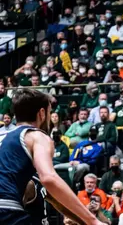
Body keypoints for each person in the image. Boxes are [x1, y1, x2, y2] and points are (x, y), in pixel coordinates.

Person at [0, 89, 105, 225]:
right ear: (42, 113)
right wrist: (93, 222)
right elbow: (49, 179)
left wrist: (86, 221)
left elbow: (52, 195)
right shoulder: (36, 136)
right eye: (49, 112)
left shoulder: (4, 139)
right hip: (6, 209)